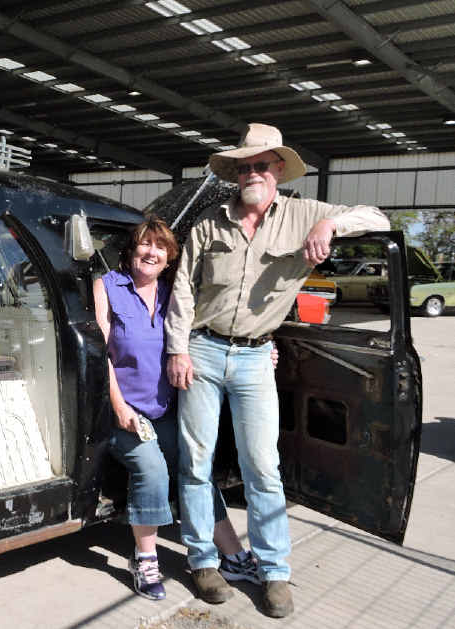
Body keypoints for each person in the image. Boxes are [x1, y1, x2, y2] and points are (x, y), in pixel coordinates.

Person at [165, 123, 390, 617]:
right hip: (201, 350)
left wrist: (329, 226)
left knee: (262, 468)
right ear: (236, 174)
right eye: (244, 167)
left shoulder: (306, 213)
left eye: (260, 165)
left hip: (253, 358)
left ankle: (274, 572)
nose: (252, 173)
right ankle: (203, 561)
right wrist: (177, 350)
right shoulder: (208, 223)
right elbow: (182, 289)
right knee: (195, 463)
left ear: (278, 171)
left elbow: (376, 215)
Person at [93, 218, 258, 601]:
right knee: (151, 468)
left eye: (160, 247)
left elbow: (213, 332)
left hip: (166, 409)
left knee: (194, 466)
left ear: (169, 259)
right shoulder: (109, 287)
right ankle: (146, 559)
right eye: (144, 245)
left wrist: (261, 351)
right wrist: (119, 405)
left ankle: (232, 553)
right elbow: (102, 353)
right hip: (125, 411)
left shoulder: (174, 293)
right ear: (131, 250)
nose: (151, 252)